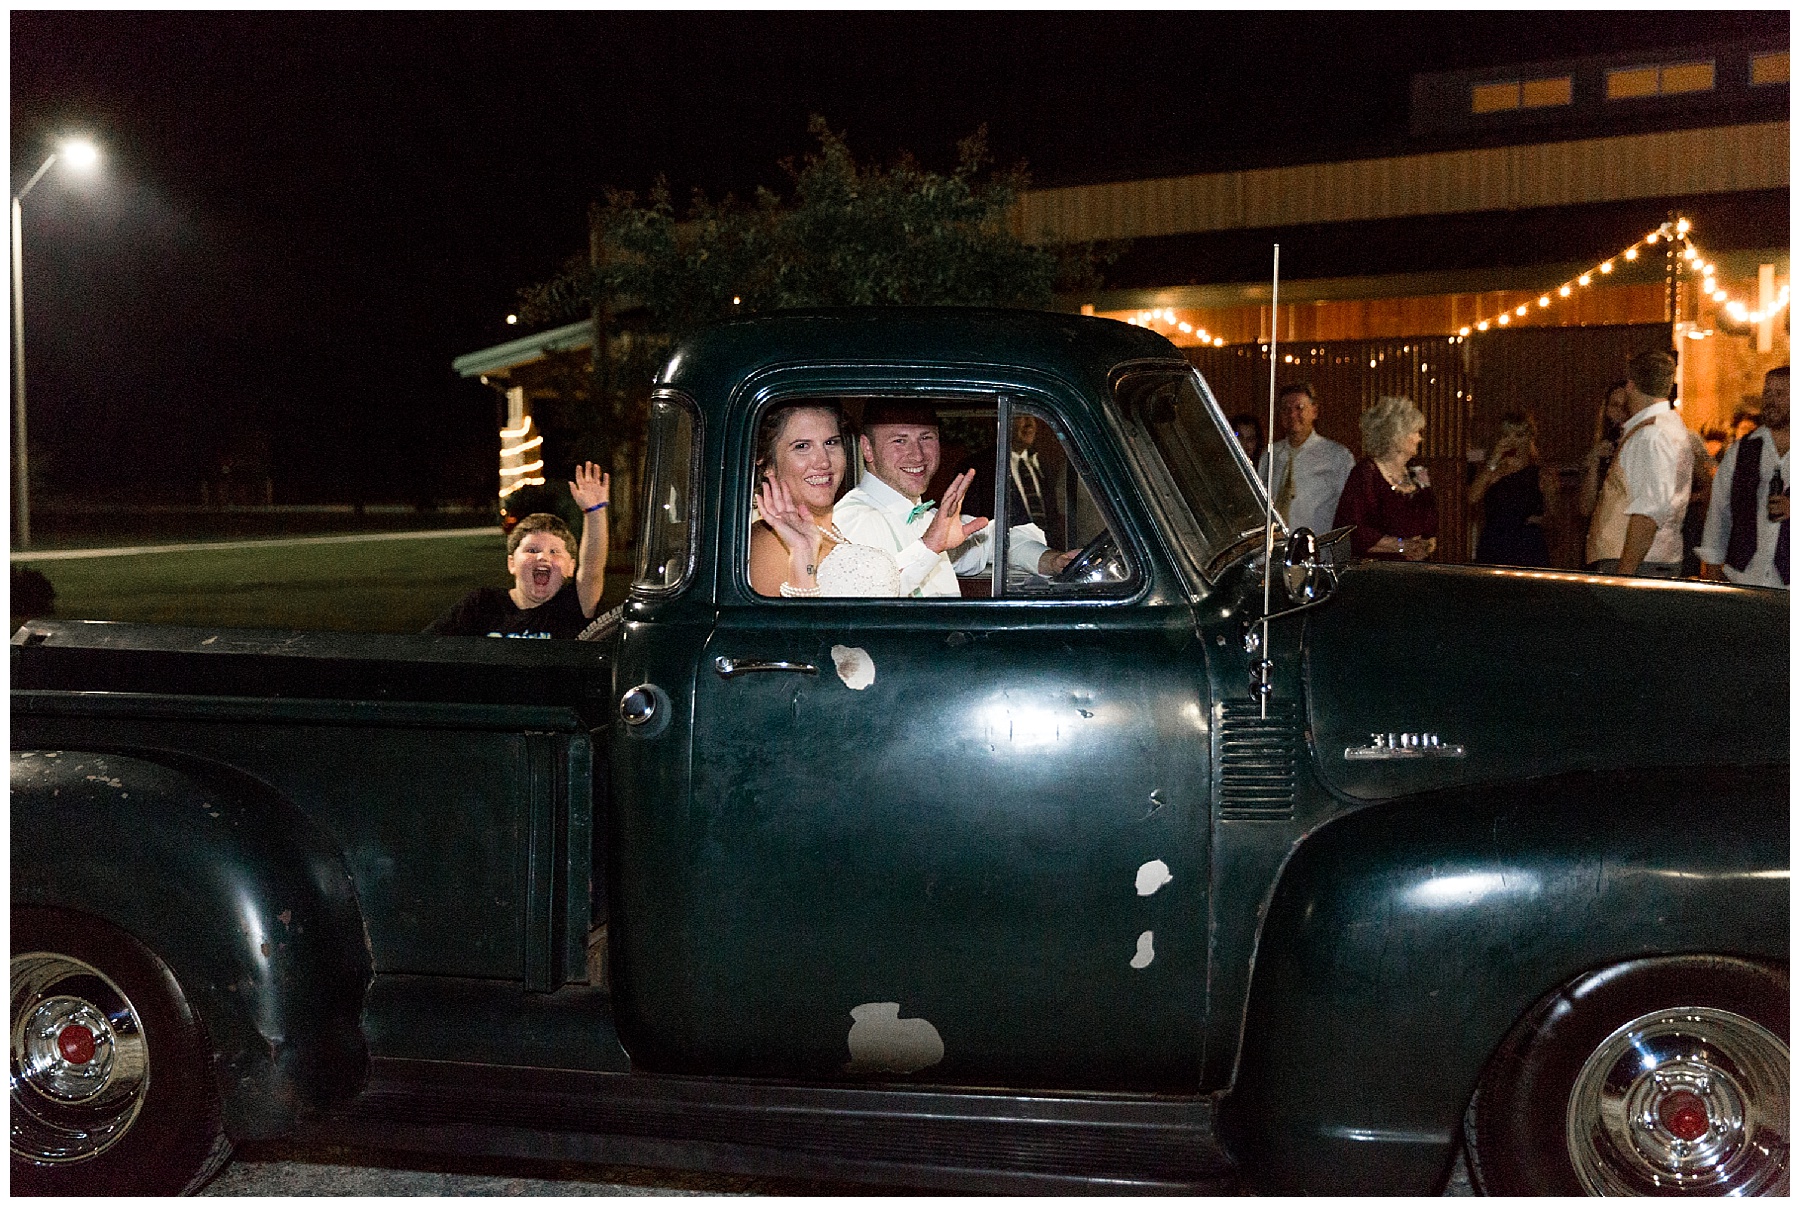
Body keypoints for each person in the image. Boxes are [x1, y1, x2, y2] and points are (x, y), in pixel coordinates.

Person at [833, 401, 1073, 597]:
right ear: (867, 448)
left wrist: (1052, 560)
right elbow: (868, 597)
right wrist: (930, 546)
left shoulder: (927, 518)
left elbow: (996, 543)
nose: (917, 455)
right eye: (899, 440)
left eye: (926, 438)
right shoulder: (851, 520)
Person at [427, 462, 609, 637]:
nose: (542, 557)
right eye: (531, 550)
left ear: (570, 567)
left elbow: (592, 570)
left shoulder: (571, 606)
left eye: (554, 551)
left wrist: (595, 512)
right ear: (511, 563)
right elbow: (424, 646)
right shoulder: (481, 605)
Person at [747, 402, 901, 597]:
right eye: (802, 446)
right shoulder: (770, 543)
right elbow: (784, 626)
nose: (824, 462)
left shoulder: (830, 530)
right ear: (767, 461)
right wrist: (802, 553)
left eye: (831, 443)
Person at [1584, 350, 1692, 578]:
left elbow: (1648, 513)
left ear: (1630, 386)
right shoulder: (1668, 425)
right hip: (1649, 561)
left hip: (1638, 563)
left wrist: (1624, 574)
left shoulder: (1651, 435)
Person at [1698, 365, 1789, 588]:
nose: (1770, 400)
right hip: (1746, 575)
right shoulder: (1742, 450)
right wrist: (1711, 565)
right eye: (1767, 393)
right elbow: (1719, 511)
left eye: (1780, 394)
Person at [1332, 395, 1438, 561]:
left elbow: (1432, 523)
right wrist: (1402, 546)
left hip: (1419, 571)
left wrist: (1427, 545)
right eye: (1415, 432)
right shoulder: (1365, 473)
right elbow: (1352, 531)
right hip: (1379, 573)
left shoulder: (1419, 473)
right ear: (1396, 436)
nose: (1420, 438)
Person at [1258, 382, 1354, 536]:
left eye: (1299, 408)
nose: (1292, 415)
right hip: (1274, 550)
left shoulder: (1337, 456)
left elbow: (1350, 512)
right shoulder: (1270, 454)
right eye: (1286, 409)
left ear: (1314, 411)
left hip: (1316, 549)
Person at [1469, 412, 1550, 567]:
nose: (1512, 441)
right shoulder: (1494, 470)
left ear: (1529, 438)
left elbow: (1554, 516)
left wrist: (1541, 520)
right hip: (1494, 543)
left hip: (1526, 546)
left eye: (1518, 435)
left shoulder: (1541, 473)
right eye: (1507, 435)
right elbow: (1472, 497)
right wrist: (1493, 460)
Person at [1576, 382, 1630, 522]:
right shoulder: (1602, 446)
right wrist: (1594, 461)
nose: (1620, 412)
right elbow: (1585, 508)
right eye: (1614, 405)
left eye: (1625, 406)